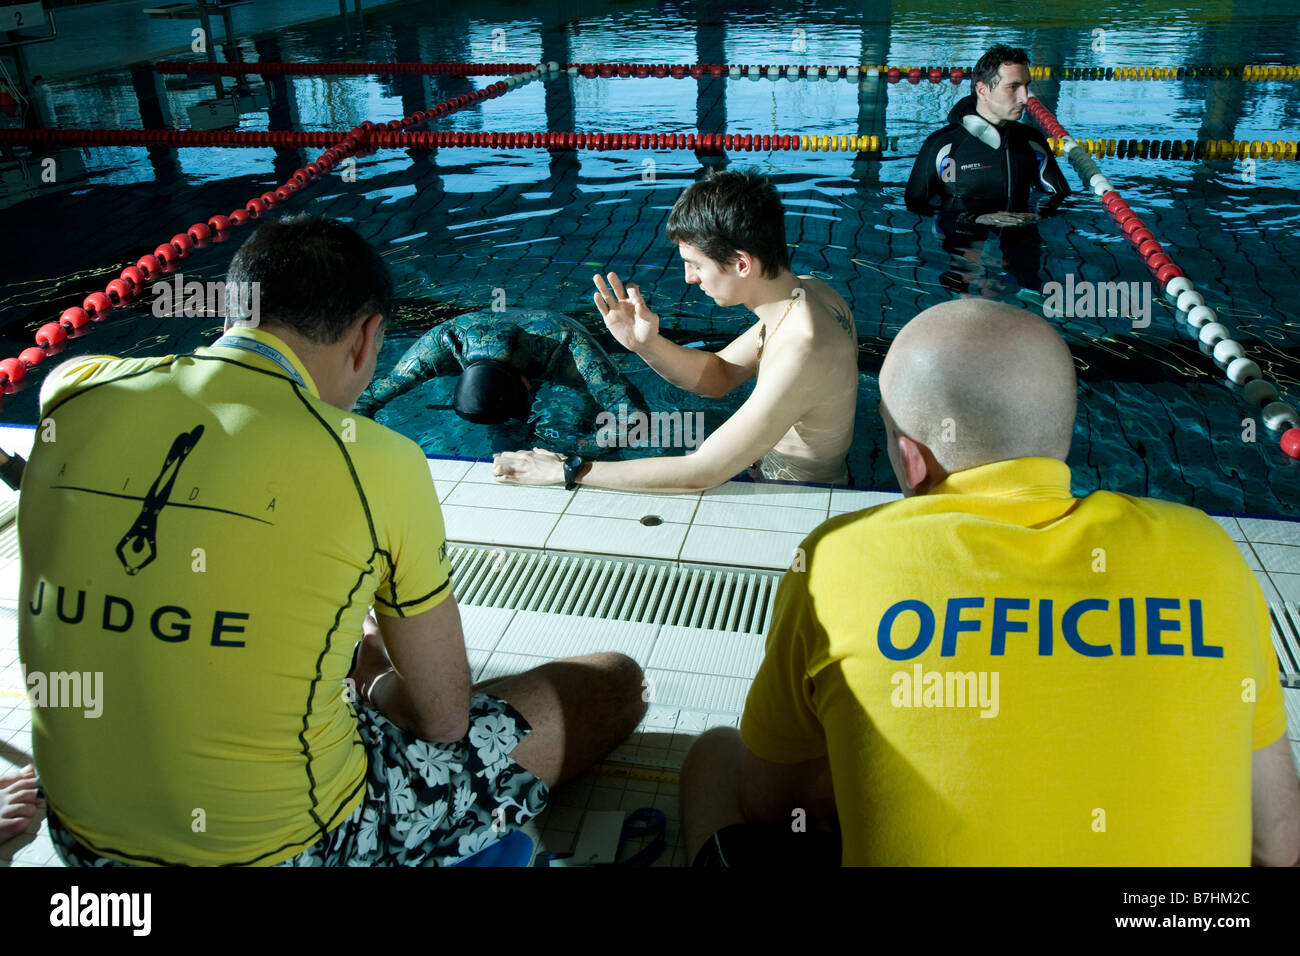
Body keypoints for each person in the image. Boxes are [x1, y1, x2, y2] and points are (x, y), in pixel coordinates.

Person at [17, 214, 646, 867]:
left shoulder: (74, 388)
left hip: (81, 844)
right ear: (368, 336)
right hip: (295, 851)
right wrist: (373, 676)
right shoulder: (382, 463)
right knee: (610, 685)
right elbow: (443, 721)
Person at [681, 298, 1300, 866]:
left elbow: (771, 807)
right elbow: (1278, 845)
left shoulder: (834, 559)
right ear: (1060, 431)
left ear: (913, 458)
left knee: (713, 755)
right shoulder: (1207, 552)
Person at [492, 168, 858, 492]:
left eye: (695, 264)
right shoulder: (807, 293)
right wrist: (645, 344)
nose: (689, 278)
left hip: (798, 500)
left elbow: (701, 471)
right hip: (775, 474)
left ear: (742, 263)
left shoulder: (804, 347)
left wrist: (568, 470)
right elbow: (722, 375)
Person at [356, 307, 649, 459]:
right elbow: (364, 400)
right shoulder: (439, 347)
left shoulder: (568, 350)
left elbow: (634, 419)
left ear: (526, 385)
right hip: (505, 366)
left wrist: (572, 450)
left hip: (552, 343)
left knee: (592, 423)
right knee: (507, 442)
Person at [906, 46, 1070, 293]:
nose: (1025, 97)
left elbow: (1060, 197)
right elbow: (916, 205)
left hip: (1020, 238)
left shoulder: (1030, 142)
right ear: (983, 90)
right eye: (1013, 87)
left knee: (1027, 287)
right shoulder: (945, 145)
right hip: (964, 242)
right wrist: (975, 218)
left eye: (1026, 85)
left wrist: (1038, 215)